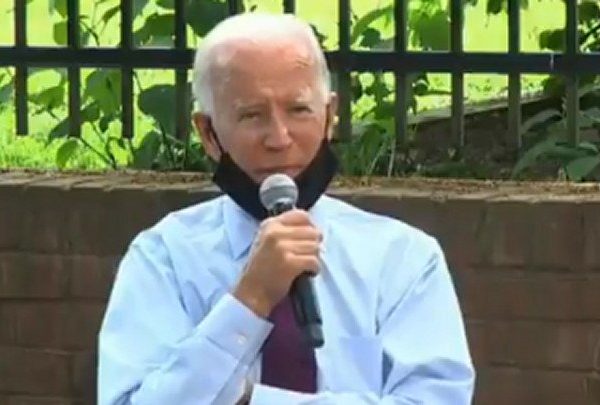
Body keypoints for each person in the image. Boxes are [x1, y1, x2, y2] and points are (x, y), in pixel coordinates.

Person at [97, 12, 475, 405]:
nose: (279, 139)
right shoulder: (165, 258)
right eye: (251, 115)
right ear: (208, 133)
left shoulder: (402, 258)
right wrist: (250, 299)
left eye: (298, 110)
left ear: (329, 116)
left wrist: (253, 400)